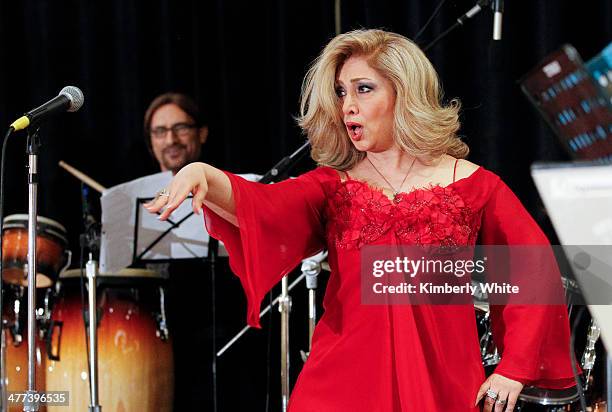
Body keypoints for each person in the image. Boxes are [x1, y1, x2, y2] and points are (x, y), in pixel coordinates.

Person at [145, 30, 576, 411]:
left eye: (363, 89)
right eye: (340, 92)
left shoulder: (475, 186)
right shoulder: (333, 186)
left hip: (441, 384)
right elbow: (262, 206)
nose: (347, 106)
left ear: (404, 93)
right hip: (341, 384)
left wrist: (513, 369)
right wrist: (203, 174)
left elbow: (534, 270)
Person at [143, 92, 208, 174]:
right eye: (160, 131)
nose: (170, 141)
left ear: (202, 134)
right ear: (150, 140)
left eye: (181, 128)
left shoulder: (225, 185)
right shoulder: (135, 187)